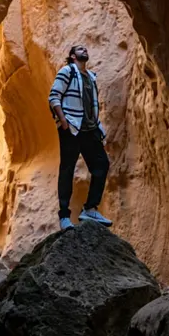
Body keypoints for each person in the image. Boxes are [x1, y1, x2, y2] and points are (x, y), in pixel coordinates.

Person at [48, 44, 112, 231]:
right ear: (72, 55)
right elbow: (54, 97)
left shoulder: (90, 77)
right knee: (67, 168)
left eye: (86, 48)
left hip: (89, 129)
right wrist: (64, 122)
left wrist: (96, 126)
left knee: (101, 164)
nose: (85, 50)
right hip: (72, 128)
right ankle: (64, 216)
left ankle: (90, 208)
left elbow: (91, 106)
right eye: (80, 49)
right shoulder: (67, 71)